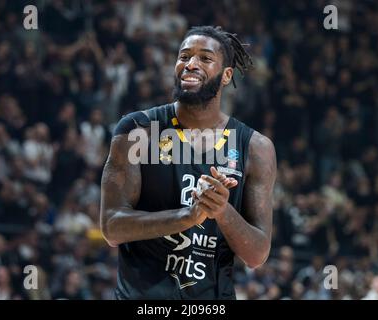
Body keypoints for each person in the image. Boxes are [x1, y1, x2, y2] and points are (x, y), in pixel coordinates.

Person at [100, 26, 277, 299]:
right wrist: (188, 217)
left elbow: (257, 254)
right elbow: (112, 227)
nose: (191, 65)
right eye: (184, 57)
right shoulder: (139, 130)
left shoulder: (256, 148)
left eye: (205, 59)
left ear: (226, 75)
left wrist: (221, 210)